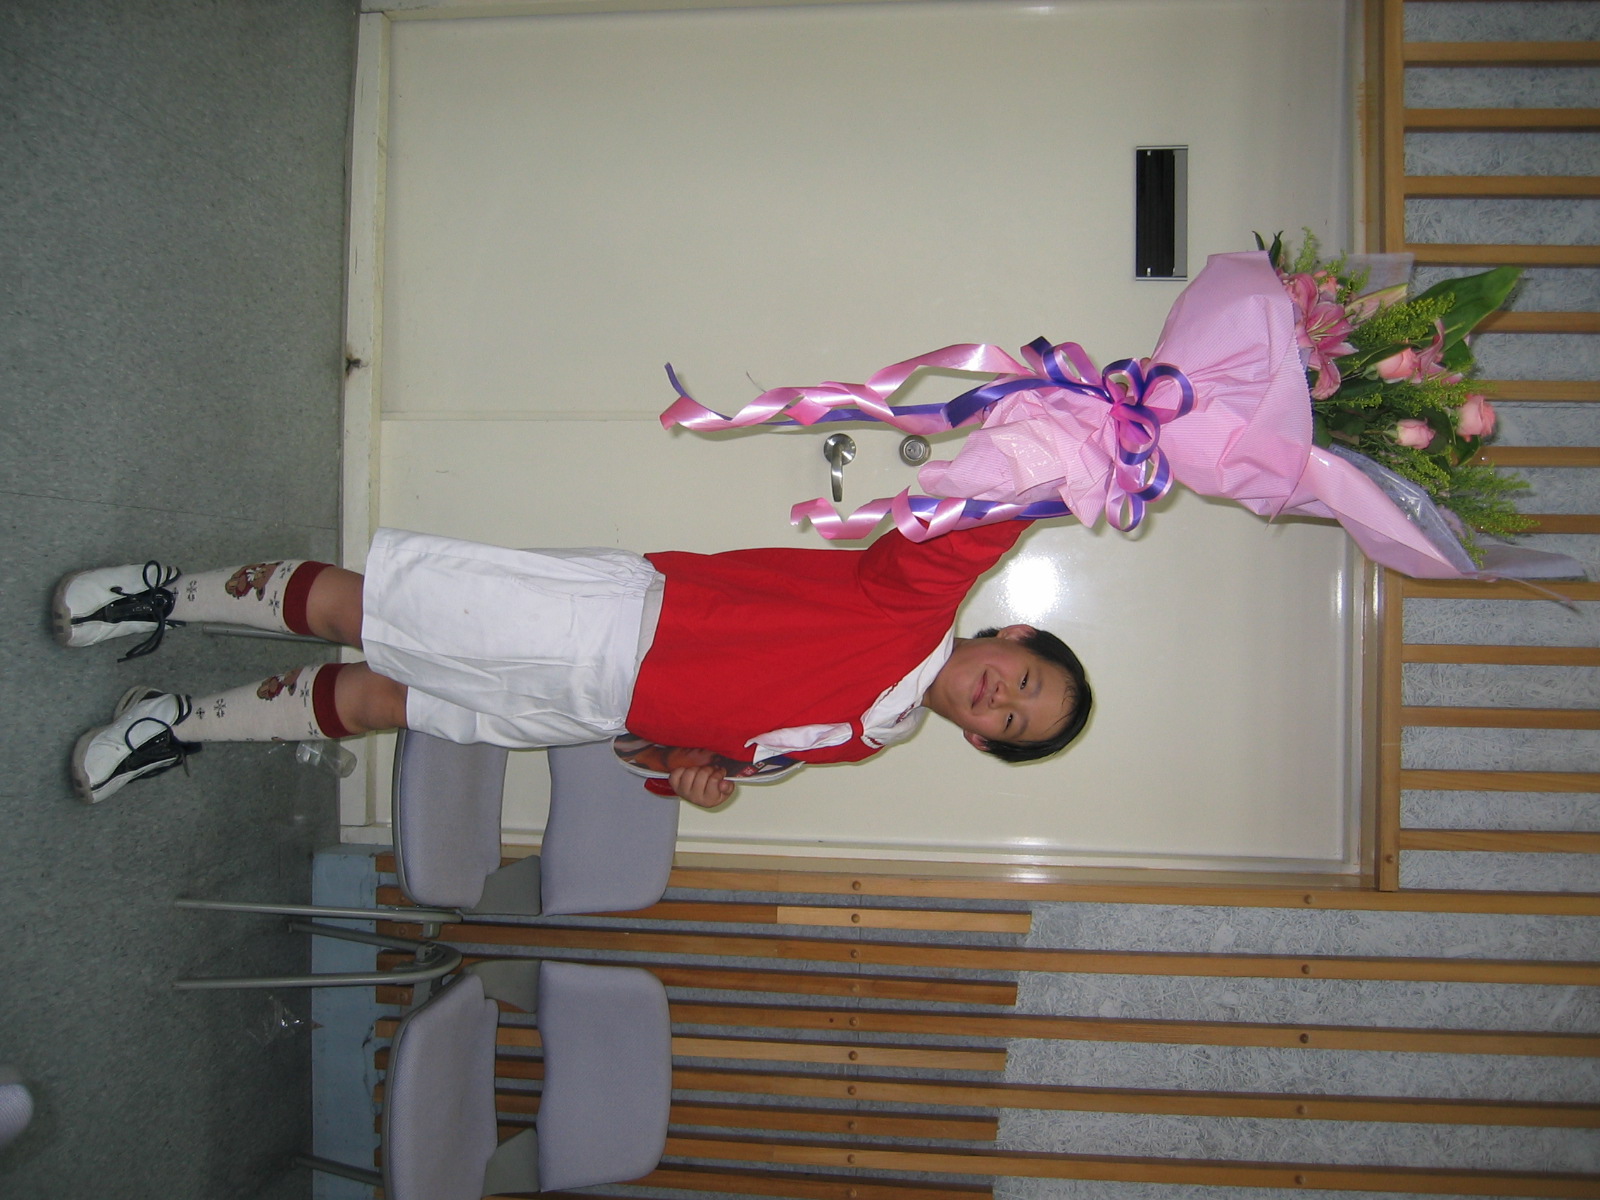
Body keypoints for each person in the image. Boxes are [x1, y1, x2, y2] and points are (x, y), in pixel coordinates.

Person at [55, 522, 1091, 808]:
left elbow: (683, 753)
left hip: (589, 705)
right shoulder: (914, 604)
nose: (1001, 699)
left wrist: (696, 777)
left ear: (976, 739)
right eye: (1025, 682)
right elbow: (972, 518)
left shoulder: (874, 738)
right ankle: (166, 593)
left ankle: (175, 720)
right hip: (604, 624)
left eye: (1010, 722)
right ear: (1012, 637)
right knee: (364, 607)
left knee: (381, 701)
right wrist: (1078, 457)